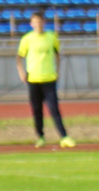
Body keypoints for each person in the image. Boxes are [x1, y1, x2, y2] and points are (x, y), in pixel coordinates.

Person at [16, 11, 74, 148]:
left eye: (40, 21)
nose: (38, 24)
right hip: (33, 79)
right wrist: (21, 73)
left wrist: (57, 71)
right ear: (31, 24)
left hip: (49, 78)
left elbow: (57, 55)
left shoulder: (51, 37)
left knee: (54, 108)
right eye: (35, 22)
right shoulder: (27, 39)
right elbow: (19, 58)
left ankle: (64, 136)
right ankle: (40, 136)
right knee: (37, 110)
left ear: (44, 23)